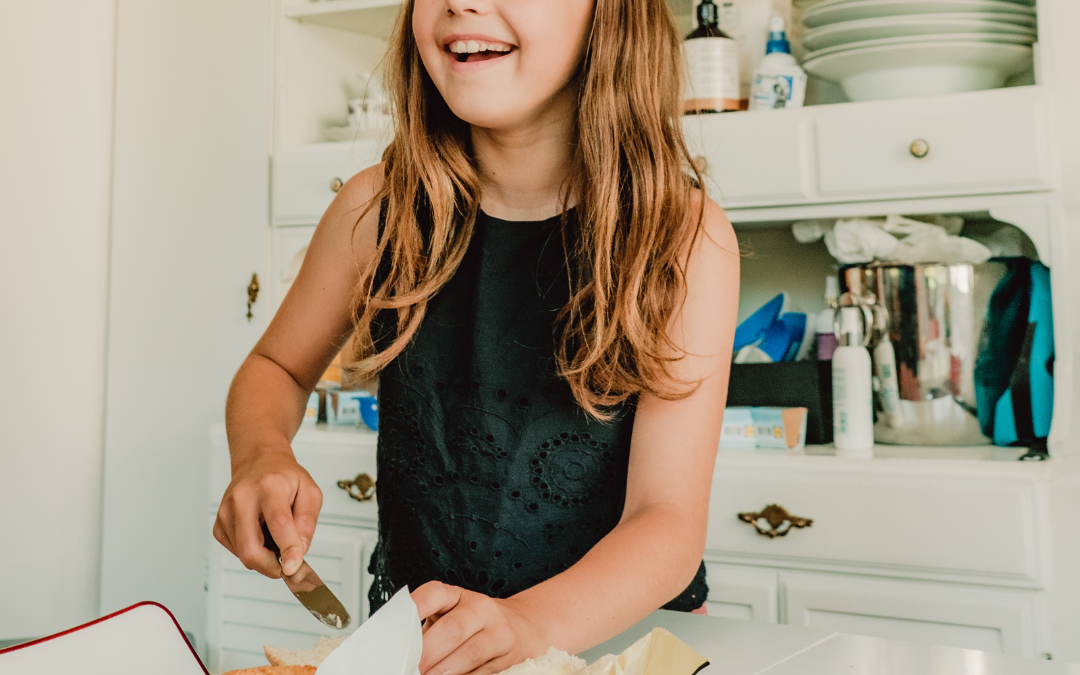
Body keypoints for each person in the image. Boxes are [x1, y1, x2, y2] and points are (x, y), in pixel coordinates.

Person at [213, 0, 740, 673]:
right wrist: (260, 454)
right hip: (429, 651)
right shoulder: (377, 212)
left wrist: (528, 624)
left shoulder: (682, 239)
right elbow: (275, 368)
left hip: (615, 650)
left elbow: (666, 523)